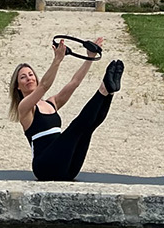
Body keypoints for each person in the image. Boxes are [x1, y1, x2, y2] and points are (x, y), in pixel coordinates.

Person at [7, 37, 124, 182]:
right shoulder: (24, 108)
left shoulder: (52, 103)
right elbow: (44, 86)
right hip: (44, 167)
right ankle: (103, 89)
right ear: (18, 86)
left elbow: (74, 83)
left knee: (88, 128)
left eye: (31, 75)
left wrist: (89, 58)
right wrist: (57, 60)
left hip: (67, 167)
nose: (29, 78)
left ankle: (108, 92)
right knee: (76, 127)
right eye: (23, 77)